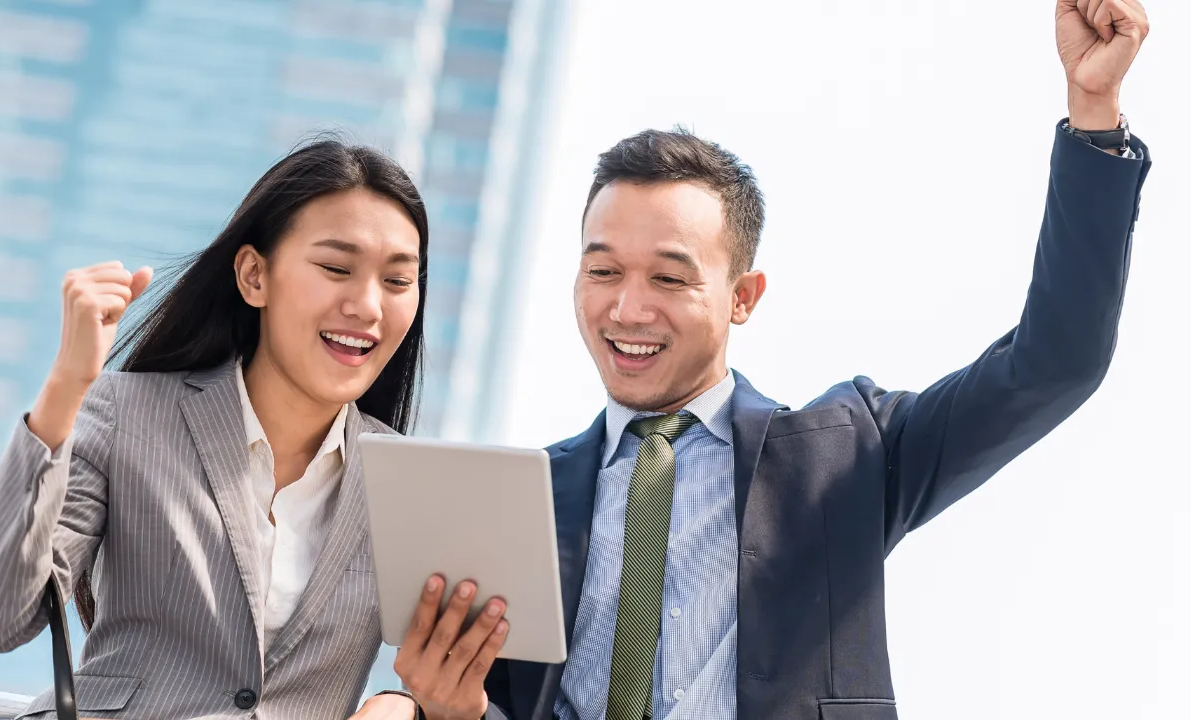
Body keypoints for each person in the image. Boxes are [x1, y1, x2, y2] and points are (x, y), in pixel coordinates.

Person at [393, 2, 1153, 718]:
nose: (627, 309)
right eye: (603, 271)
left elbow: (1055, 361)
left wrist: (1093, 111)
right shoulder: (523, 505)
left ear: (742, 297)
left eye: (669, 278)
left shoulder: (845, 456)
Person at [0, 139, 432, 719]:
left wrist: (405, 706)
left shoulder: (409, 482)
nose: (368, 306)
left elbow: (470, 682)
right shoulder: (127, 414)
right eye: (336, 268)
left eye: (397, 281)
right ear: (254, 275)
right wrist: (66, 389)